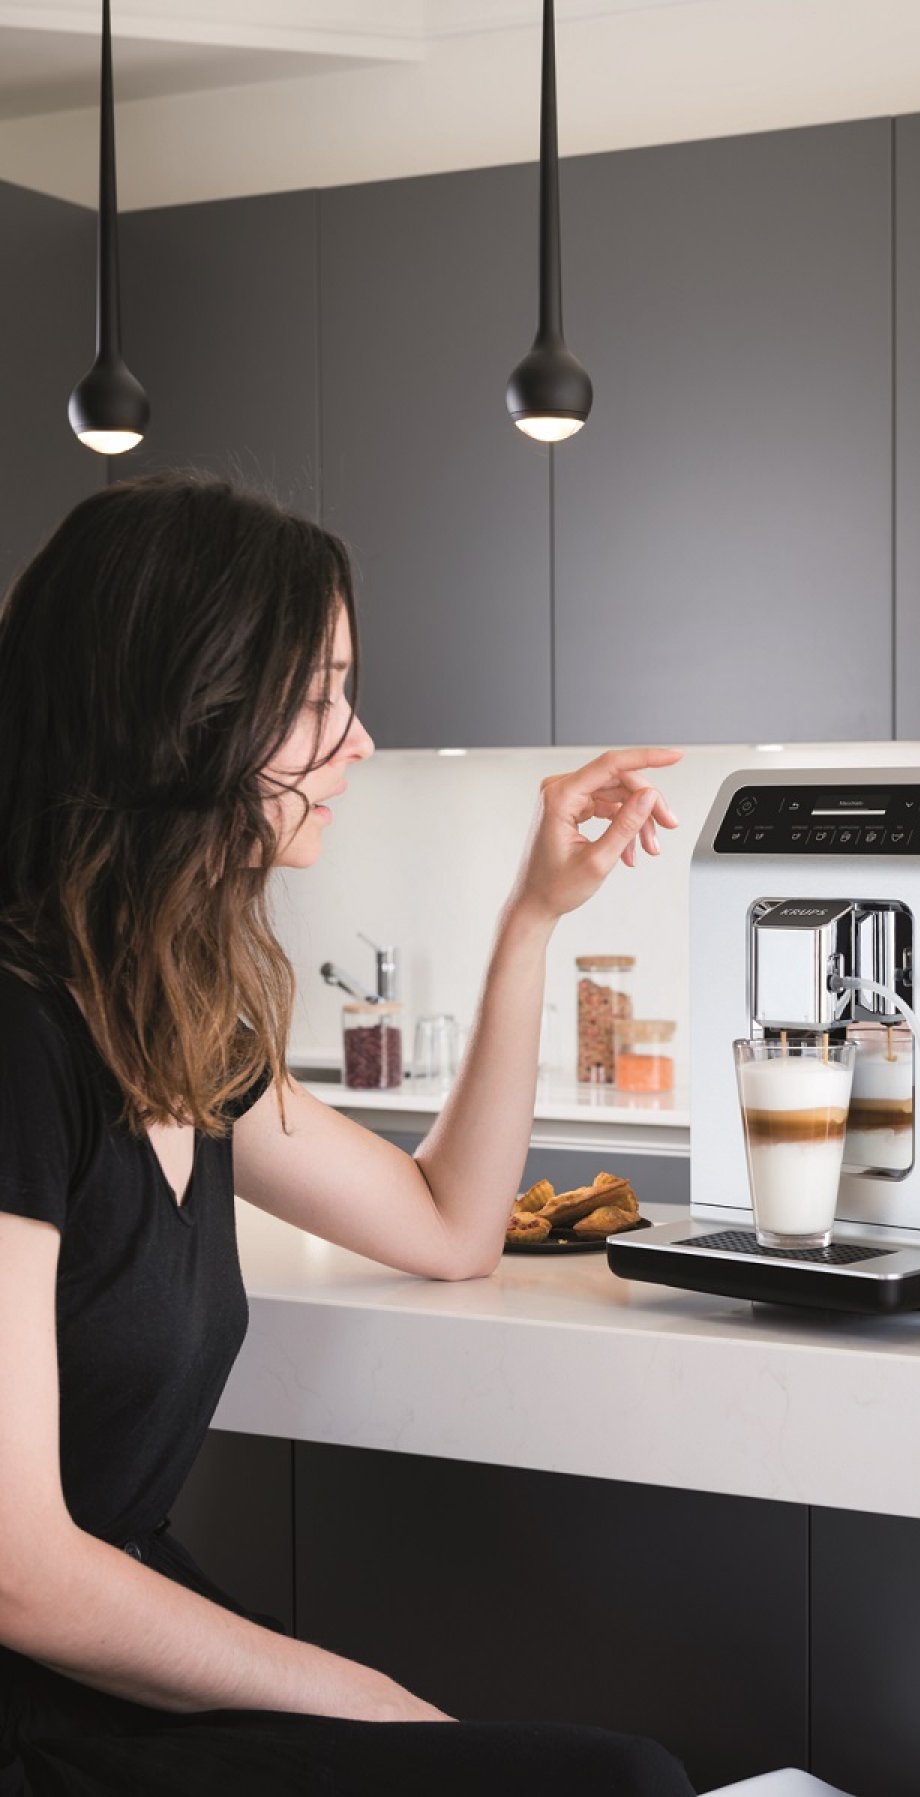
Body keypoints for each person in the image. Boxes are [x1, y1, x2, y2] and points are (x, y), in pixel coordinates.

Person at [0, 471, 693, 1797]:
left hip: (114, 1675)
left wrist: (534, 915)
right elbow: (19, 1568)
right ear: (190, 711)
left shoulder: (171, 1028)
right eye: (319, 697)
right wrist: (364, 1698)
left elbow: (448, 1224)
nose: (361, 740)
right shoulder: (19, 1041)